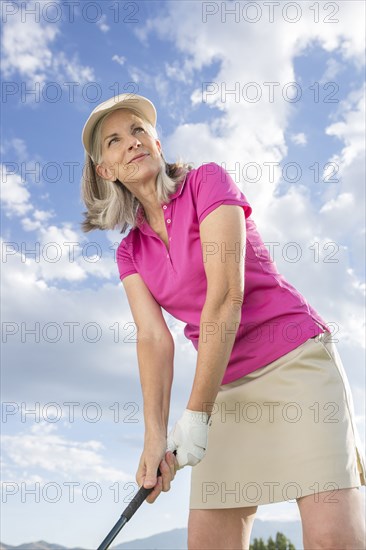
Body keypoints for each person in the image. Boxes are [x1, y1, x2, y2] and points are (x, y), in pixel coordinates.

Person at [81, 93, 366, 550]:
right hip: (224, 387)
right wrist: (155, 437)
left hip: (296, 363)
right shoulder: (130, 252)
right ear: (105, 170)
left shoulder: (207, 182)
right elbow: (153, 339)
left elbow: (226, 297)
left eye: (137, 130)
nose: (131, 142)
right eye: (114, 141)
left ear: (156, 140)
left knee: (333, 539)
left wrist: (195, 415)